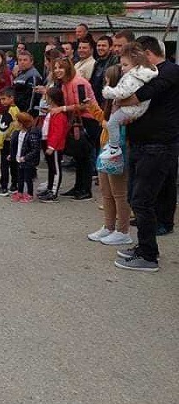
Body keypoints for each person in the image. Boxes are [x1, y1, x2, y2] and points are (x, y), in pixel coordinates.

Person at [114, 36, 179, 272]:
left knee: (143, 200)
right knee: (136, 198)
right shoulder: (144, 73)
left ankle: (149, 256)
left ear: (147, 53)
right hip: (140, 144)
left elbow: (141, 94)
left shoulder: (170, 71)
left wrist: (124, 99)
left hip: (158, 147)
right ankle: (143, 247)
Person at [87, 65, 132, 246]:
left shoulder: (125, 103)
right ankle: (108, 226)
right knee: (106, 191)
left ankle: (123, 230)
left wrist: (106, 123)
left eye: (107, 80)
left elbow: (116, 125)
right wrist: (92, 107)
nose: (104, 84)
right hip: (105, 148)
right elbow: (104, 121)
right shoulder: (111, 103)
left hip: (118, 149)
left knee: (119, 193)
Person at [51, 57, 103, 200]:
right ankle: (78, 187)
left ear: (68, 68)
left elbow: (84, 104)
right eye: (55, 68)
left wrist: (63, 108)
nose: (57, 71)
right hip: (77, 120)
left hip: (89, 120)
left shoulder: (78, 82)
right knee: (79, 156)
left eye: (60, 67)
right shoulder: (64, 83)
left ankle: (85, 189)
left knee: (85, 156)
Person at [99, 41, 157, 165]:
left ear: (135, 64)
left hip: (131, 109)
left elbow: (122, 93)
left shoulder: (134, 77)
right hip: (133, 109)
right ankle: (113, 146)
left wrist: (108, 91)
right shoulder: (138, 75)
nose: (123, 68)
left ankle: (114, 147)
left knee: (112, 123)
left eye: (125, 65)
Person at [37, 87, 69, 202]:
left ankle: (54, 191)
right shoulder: (53, 111)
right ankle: (50, 188)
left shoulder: (59, 115)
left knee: (55, 168)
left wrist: (51, 146)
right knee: (51, 168)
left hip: (54, 145)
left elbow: (58, 132)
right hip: (47, 141)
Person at [0, 88, 19, 196]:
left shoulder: (8, 112)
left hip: (6, 141)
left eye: (4, 99)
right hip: (14, 139)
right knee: (13, 164)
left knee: (4, 165)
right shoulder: (16, 109)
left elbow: (3, 129)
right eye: (1, 99)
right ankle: (14, 185)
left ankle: (3, 187)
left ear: (11, 98)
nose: (2, 102)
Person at [9, 112, 41, 202]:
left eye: (16, 121)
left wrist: (26, 157)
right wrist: (12, 155)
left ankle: (30, 194)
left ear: (21, 123)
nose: (15, 123)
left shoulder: (31, 134)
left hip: (27, 161)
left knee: (28, 178)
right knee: (20, 178)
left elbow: (35, 149)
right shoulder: (18, 133)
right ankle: (20, 192)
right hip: (19, 159)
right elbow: (16, 146)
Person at [90, 35, 118, 103]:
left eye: (103, 45)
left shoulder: (115, 61)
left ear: (111, 47)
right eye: (98, 45)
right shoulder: (97, 62)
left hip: (106, 100)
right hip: (95, 100)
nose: (100, 48)